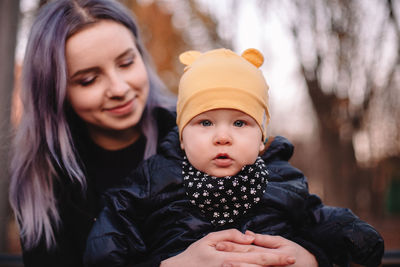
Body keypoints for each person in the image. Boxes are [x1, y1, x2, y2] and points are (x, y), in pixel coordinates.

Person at [8, 1, 330, 267]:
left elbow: (303, 219)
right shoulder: (44, 184)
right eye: (89, 79)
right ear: (56, 92)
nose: (119, 88)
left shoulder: (203, 138)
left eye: (126, 62)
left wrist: (312, 257)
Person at [83, 48, 384, 267]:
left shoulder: (282, 180)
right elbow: (112, 230)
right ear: (183, 138)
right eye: (205, 122)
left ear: (262, 139)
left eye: (240, 123)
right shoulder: (154, 180)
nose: (222, 136)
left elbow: (316, 217)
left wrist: (350, 235)